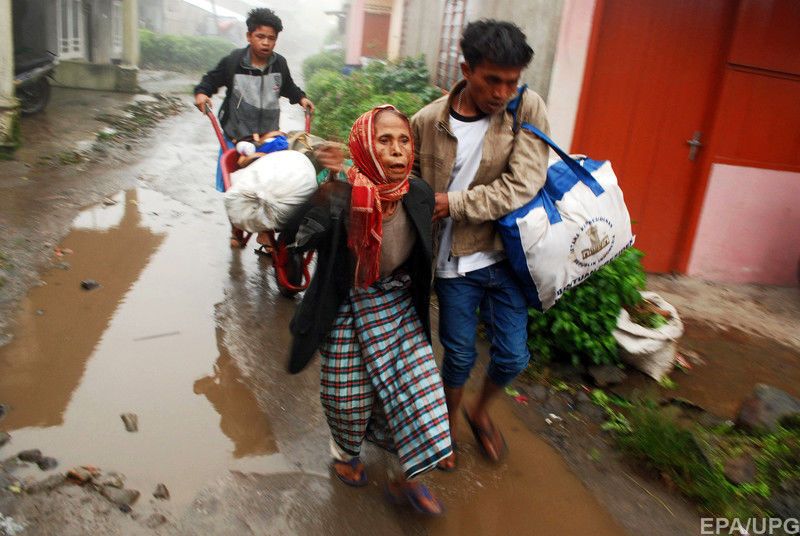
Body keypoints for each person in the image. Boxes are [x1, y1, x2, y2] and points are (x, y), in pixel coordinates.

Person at [285, 105, 451, 515]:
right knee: (348, 397)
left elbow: (423, 256)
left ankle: (406, 478)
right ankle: (345, 452)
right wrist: (325, 187)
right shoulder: (341, 194)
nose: (397, 152)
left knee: (419, 391)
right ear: (363, 146)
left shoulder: (420, 193)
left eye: (404, 141)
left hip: (397, 303)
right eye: (384, 141)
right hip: (347, 302)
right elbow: (294, 236)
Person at [410, 20, 550, 471]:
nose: (502, 92)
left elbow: (523, 185)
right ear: (467, 69)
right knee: (459, 352)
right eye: (493, 80)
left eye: (511, 81)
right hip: (452, 262)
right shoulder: (427, 122)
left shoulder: (527, 108)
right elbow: (408, 189)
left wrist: (452, 202)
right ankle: (446, 423)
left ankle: (479, 409)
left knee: (513, 355)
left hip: (506, 257)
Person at [193, 7, 314, 247]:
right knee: (237, 186)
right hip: (236, 133)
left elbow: (288, 87)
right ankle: (237, 229)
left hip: (267, 134)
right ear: (249, 36)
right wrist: (201, 94)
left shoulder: (279, 64)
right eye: (261, 37)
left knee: (270, 186)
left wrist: (301, 98)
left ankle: (265, 231)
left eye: (271, 38)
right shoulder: (234, 61)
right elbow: (210, 79)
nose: (266, 43)